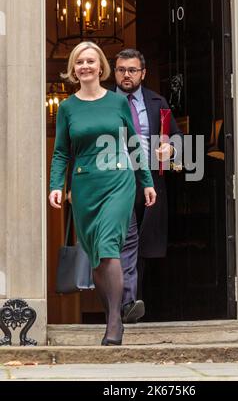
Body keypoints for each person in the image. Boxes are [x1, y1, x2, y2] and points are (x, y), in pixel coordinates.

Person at [49, 41, 156, 346]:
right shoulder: (68, 108)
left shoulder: (117, 103)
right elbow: (60, 153)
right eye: (79, 62)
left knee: (109, 247)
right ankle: (113, 314)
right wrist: (57, 186)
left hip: (118, 181)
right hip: (85, 187)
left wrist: (146, 181)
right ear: (73, 69)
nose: (85, 66)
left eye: (90, 61)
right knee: (97, 257)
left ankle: (114, 324)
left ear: (100, 67)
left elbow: (134, 143)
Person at [113, 49, 183, 323]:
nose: (126, 75)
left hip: (149, 184)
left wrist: (171, 149)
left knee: (140, 247)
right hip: (115, 182)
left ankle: (132, 307)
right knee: (118, 244)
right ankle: (122, 307)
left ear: (143, 73)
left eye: (132, 70)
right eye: (121, 69)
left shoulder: (157, 102)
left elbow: (177, 137)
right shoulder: (104, 101)